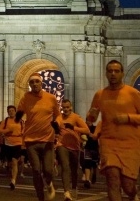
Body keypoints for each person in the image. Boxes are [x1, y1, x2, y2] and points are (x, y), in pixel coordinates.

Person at [87, 60, 140, 201]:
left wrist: (128, 118)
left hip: (130, 144)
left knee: (128, 186)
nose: (113, 74)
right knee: (112, 179)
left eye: (116, 71)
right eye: (110, 71)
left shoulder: (133, 93)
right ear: (106, 73)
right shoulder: (100, 94)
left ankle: (133, 194)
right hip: (108, 143)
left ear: (122, 73)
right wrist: (91, 115)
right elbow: (91, 119)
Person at [16, 72, 61, 201]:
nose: (34, 84)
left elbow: (58, 114)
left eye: (37, 81)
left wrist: (57, 123)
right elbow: (19, 112)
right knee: (35, 170)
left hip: (47, 139)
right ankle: (40, 196)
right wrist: (16, 119)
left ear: (41, 83)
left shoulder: (51, 97)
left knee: (48, 170)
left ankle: (49, 184)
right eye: (31, 82)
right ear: (29, 84)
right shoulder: (25, 97)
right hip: (31, 140)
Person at [56, 99, 89, 201]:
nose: (65, 109)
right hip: (62, 145)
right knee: (65, 167)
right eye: (63, 107)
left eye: (67, 107)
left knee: (74, 170)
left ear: (71, 107)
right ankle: (66, 192)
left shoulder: (76, 117)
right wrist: (54, 126)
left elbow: (87, 130)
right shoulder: (59, 117)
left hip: (75, 147)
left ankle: (74, 188)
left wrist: (74, 127)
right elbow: (56, 124)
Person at [0, 105, 24, 190]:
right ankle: (9, 169)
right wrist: (7, 131)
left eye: (13, 110)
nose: (11, 112)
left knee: (14, 161)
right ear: (8, 112)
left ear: (15, 111)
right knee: (10, 162)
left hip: (17, 142)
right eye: (10, 111)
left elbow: (24, 130)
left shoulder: (20, 121)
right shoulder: (5, 121)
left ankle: (13, 180)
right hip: (7, 143)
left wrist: (21, 134)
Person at [81, 119, 99, 188]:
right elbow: (80, 136)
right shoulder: (84, 129)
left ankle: (94, 174)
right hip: (87, 148)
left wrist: (93, 136)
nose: (88, 122)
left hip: (95, 148)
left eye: (89, 121)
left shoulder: (95, 128)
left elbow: (98, 137)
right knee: (87, 164)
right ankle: (87, 180)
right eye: (87, 121)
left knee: (94, 165)